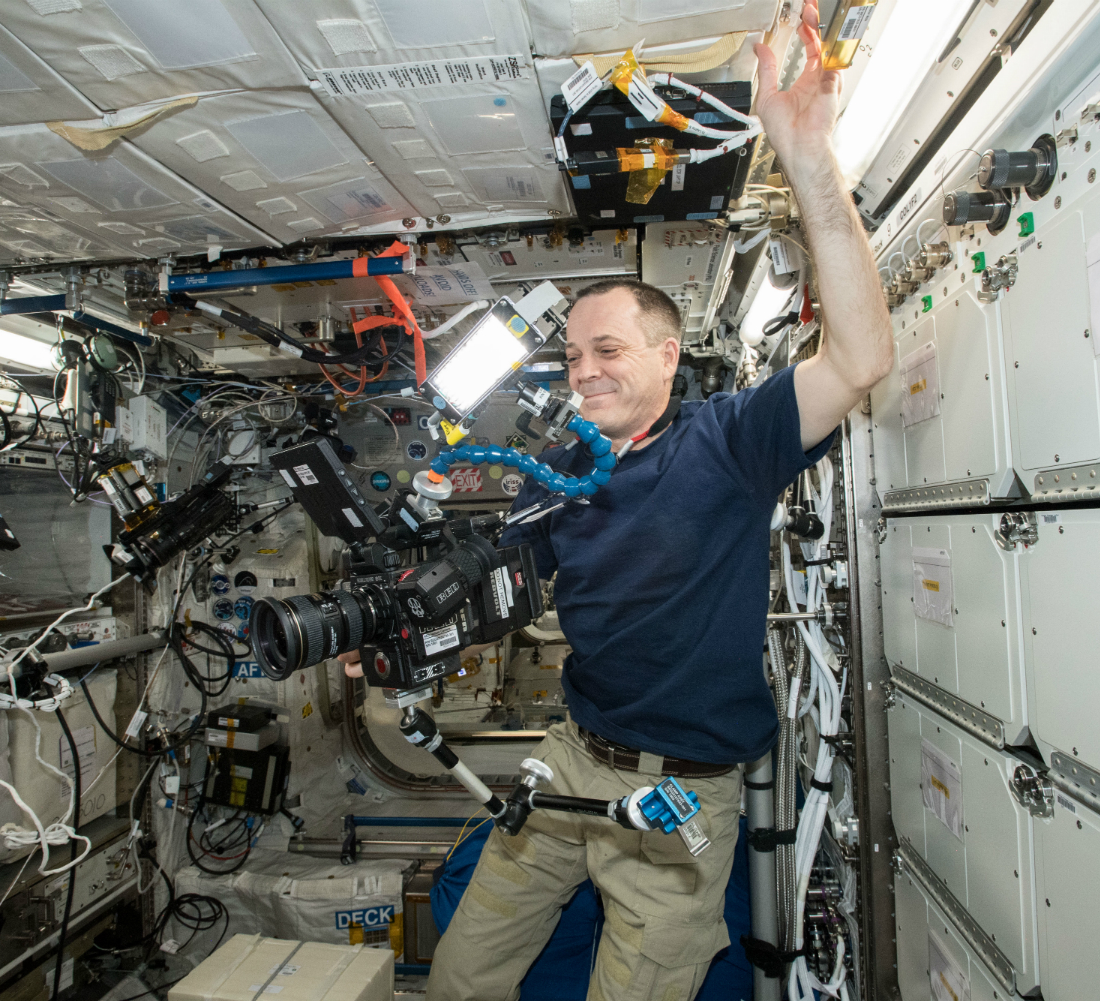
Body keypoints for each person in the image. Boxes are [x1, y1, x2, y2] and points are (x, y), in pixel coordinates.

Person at [342, 3, 890, 996]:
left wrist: (806, 156)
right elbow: (494, 587)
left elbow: (859, 358)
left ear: (669, 356)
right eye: (570, 353)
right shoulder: (556, 474)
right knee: (462, 974)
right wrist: (398, 624)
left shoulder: (726, 443)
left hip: (678, 786)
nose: (582, 370)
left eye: (607, 350)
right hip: (568, 759)